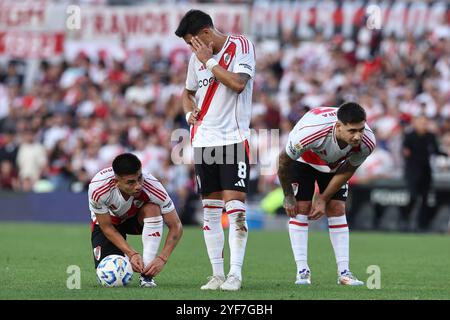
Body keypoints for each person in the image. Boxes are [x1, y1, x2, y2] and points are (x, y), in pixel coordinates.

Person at [175, 9, 256, 291]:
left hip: (233, 138)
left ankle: (235, 274)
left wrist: (208, 61)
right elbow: (187, 93)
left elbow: (237, 84)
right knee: (209, 211)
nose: (191, 48)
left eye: (192, 41)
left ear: (206, 34)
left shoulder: (241, 46)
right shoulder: (195, 60)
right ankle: (217, 274)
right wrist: (189, 115)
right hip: (203, 141)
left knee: (236, 210)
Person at [277, 103, 376, 286]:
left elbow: (348, 170)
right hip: (304, 159)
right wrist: (288, 195)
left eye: (361, 129)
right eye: (352, 131)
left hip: (336, 165)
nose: (358, 136)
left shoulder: (367, 142)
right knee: (301, 208)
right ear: (338, 126)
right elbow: (283, 161)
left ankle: (344, 272)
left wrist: (323, 198)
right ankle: (302, 271)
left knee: (337, 208)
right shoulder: (309, 133)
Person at [88, 153, 183, 287]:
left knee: (152, 209)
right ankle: (128, 260)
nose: (138, 185)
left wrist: (162, 258)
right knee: (109, 274)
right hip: (111, 223)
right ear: (116, 182)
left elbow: (176, 226)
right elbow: (107, 227)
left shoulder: (153, 186)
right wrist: (132, 254)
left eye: (140, 178)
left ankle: (147, 277)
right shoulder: (98, 188)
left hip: (134, 219)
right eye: (131, 182)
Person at [401, 115, 447, 231]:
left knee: (426, 199)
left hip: (426, 171)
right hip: (412, 171)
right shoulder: (409, 136)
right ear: (415, 123)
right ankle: (405, 219)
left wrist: (446, 154)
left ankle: (423, 224)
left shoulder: (430, 136)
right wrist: (405, 153)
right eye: (421, 122)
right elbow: (405, 151)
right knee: (413, 196)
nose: (423, 125)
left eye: (425, 123)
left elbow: (436, 151)